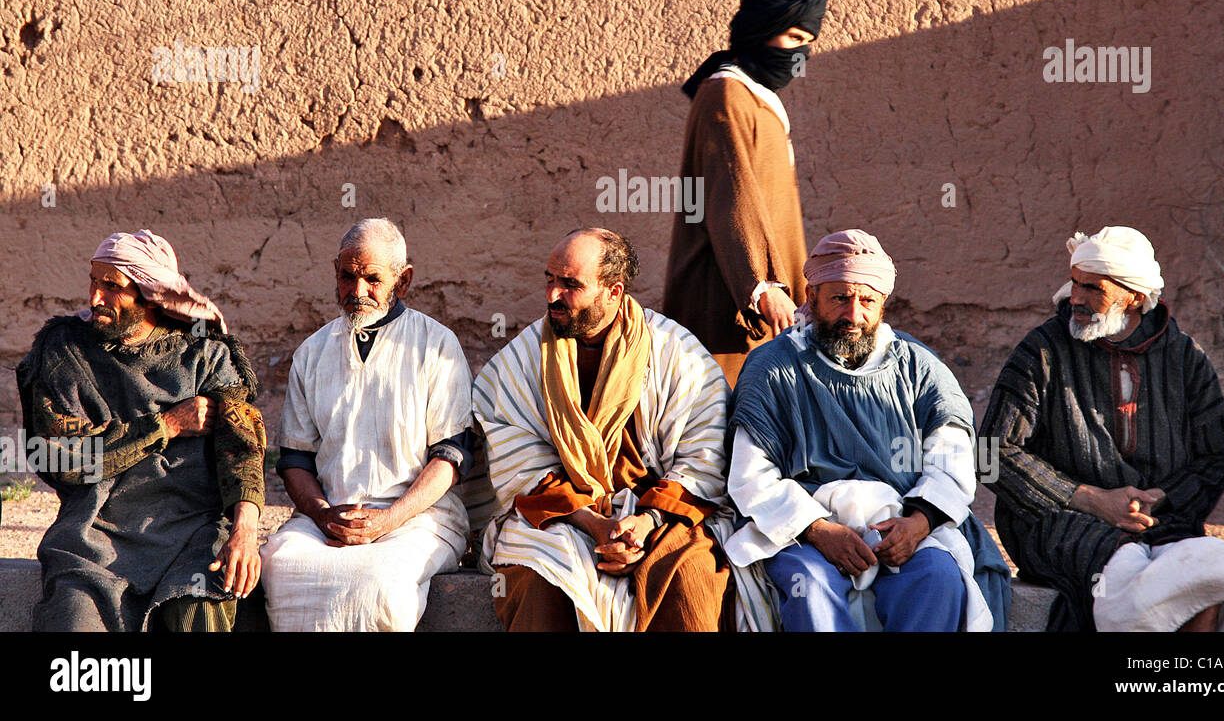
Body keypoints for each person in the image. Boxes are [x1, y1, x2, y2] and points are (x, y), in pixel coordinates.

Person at [980, 226, 1224, 631]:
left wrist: (1159, 498)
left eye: (1094, 288)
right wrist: (1092, 499)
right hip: (1058, 521)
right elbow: (992, 453)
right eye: (1075, 283)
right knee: (1132, 569)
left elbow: (1218, 457)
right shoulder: (1042, 350)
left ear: (1133, 296)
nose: (1075, 297)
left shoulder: (1184, 356)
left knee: (1210, 583)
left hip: (1162, 519)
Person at [472, 228, 769, 631]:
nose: (552, 296)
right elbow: (519, 465)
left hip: (662, 515)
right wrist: (597, 525)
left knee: (692, 575)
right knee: (542, 578)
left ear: (613, 291)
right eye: (549, 279)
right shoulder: (521, 362)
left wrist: (643, 523)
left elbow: (704, 458)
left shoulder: (679, 355)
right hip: (565, 518)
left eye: (570, 285)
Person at [726, 229, 1011, 631]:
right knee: (810, 587)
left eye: (867, 301)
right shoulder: (772, 369)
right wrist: (818, 530)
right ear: (812, 297)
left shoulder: (918, 366)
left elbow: (953, 459)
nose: (853, 315)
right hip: (803, 531)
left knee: (937, 579)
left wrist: (919, 523)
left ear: (883, 305)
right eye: (840, 298)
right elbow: (751, 476)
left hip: (902, 522)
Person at [18, 229, 264, 631]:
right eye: (93, 282)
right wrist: (165, 425)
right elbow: (60, 456)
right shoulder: (64, 351)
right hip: (93, 538)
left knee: (198, 614)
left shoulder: (206, 356)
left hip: (191, 534)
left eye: (112, 287)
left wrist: (245, 531)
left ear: (150, 294)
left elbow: (242, 447)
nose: (95, 298)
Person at [260, 218, 474, 631]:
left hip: (418, 517)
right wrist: (323, 515)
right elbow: (295, 460)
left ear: (404, 280)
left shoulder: (437, 345)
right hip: (330, 517)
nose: (357, 291)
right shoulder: (312, 352)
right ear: (335, 273)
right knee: (282, 565)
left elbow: (451, 457)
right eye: (347, 276)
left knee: (379, 581)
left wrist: (388, 520)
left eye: (373, 279)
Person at [664, 0, 827, 386]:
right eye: (792, 38)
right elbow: (730, 195)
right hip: (725, 303)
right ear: (763, 29)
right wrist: (762, 285)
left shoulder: (756, 97)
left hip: (765, 307)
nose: (800, 53)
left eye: (808, 43)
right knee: (719, 431)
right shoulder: (727, 93)